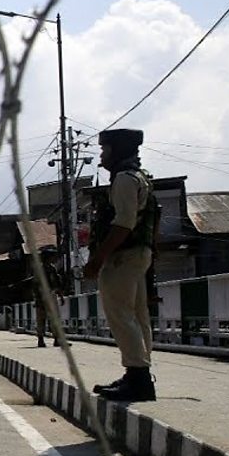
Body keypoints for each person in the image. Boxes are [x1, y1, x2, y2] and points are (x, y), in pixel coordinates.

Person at [84, 128, 157, 402]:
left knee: (120, 315)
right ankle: (138, 374)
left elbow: (123, 224)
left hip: (123, 256)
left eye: (106, 150)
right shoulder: (141, 177)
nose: (102, 156)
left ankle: (138, 376)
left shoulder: (125, 179)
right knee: (137, 316)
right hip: (138, 254)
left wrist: (98, 259)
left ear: (118, 150)